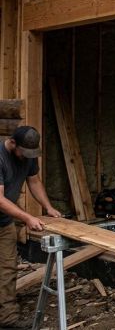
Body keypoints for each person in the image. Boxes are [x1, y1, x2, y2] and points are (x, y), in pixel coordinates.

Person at [0, 126, 62, 329]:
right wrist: (27, 217)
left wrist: (48, 207)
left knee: (7, 268)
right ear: (12, 143)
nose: (27, 158)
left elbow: (34, 181)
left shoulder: (28, 153)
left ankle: (7, 318)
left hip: (3, 222)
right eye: (23, 153)